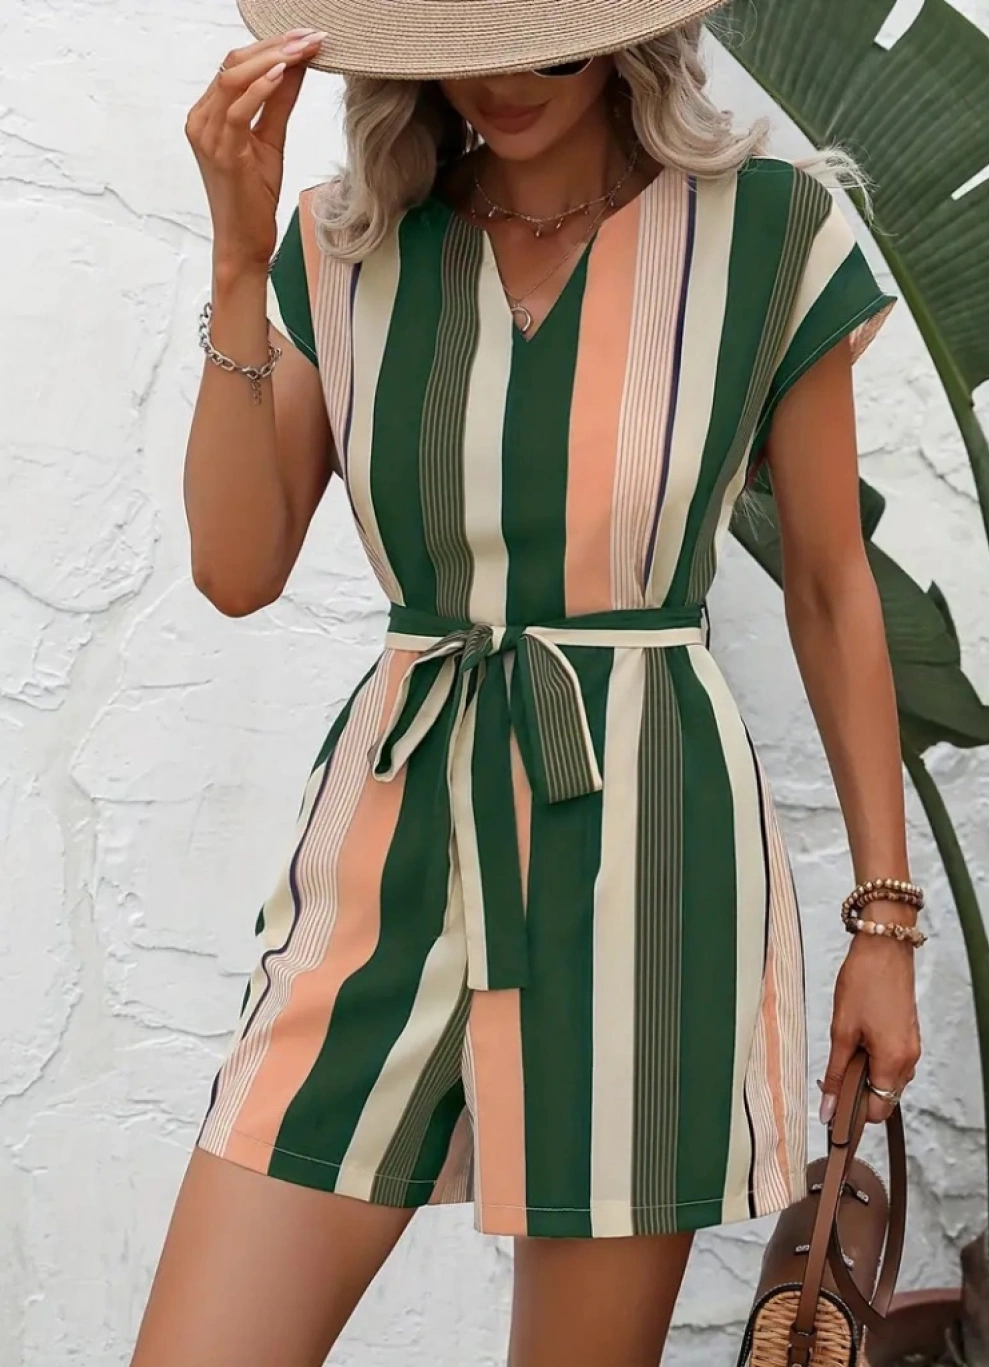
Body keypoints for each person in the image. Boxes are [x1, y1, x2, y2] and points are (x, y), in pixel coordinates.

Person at [131, 2, 924, 1364]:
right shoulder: (343, 243)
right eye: (465, 44)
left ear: (621, 34)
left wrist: (885, 922)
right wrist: (235, 258)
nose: (500, 82)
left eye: (543, 38)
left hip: (650, 853)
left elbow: (829, 587)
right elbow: (236, 564)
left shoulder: (766, 233)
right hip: (392, 836)